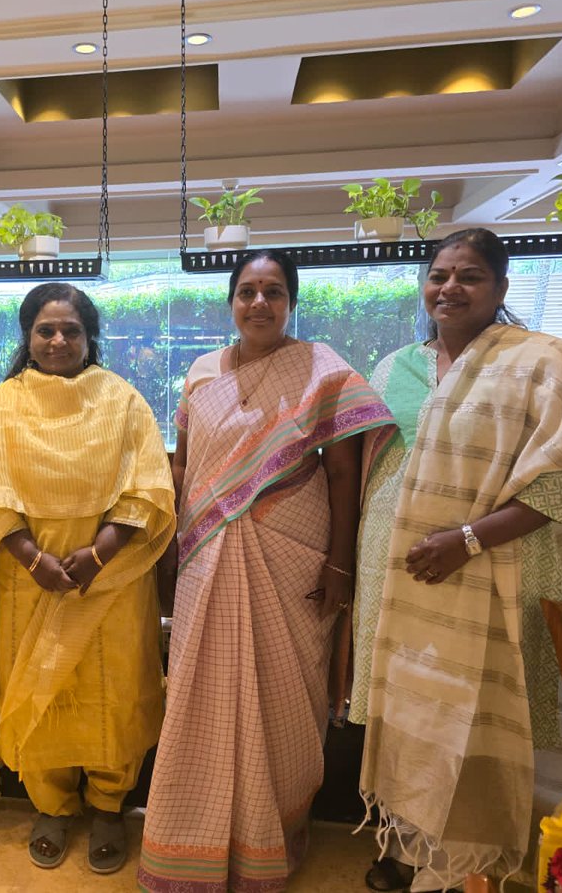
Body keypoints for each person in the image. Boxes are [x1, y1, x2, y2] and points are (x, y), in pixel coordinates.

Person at [355, 228, 562, 892]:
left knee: (484, 703)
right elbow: (372, 460)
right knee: (414, 710)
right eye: (439, 275)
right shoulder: (393, 365)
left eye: (470, 276)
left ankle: (485, 855)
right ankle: (412, 846)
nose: (449, 287)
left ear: (501, 288)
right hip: (396, 570)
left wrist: (469, 538)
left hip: (495, 563)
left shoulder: (541, 361)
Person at [138, 250, 395, 893]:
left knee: (289, 697)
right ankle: (190, 845)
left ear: (291, 302)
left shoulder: (324, 371)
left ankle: (268, 840)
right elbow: (186, 466)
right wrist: (173, 544)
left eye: (273, 292)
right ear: (231, 301)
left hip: (295, 557)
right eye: (247, 291)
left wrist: (341, 563)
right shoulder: (201, 372)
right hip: (207, 555)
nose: (259, 303)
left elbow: (342, 474)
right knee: (197, 690)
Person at [0, 283, 175, 875]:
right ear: (28, 338)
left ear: (88, 336)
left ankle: (107, 805)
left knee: (114, 693)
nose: (57, 340)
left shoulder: (121, 400)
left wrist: (98, 553)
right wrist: (32, 558)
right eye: (45, 330)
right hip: (31, 580)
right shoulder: (6, 402)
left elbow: (147, 486)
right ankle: (51, 805)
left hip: (111, 579)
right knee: (39, 693)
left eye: (70, 330)